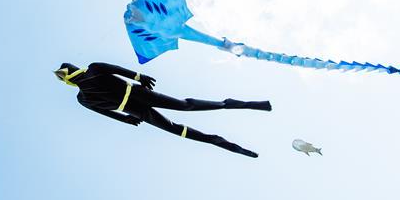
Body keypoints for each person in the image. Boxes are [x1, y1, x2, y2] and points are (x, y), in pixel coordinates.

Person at [55, 61, 271, 158]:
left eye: (66, 72)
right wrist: (126, 119)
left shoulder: (93, 69)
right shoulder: (82, 98)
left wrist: (140, 77)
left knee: (184, 106)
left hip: (138, 95)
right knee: (176, 129)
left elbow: (117, 69)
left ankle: (228, 103)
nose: (70, 73)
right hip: (134, 109)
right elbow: (105, 113)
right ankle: (219, 141)